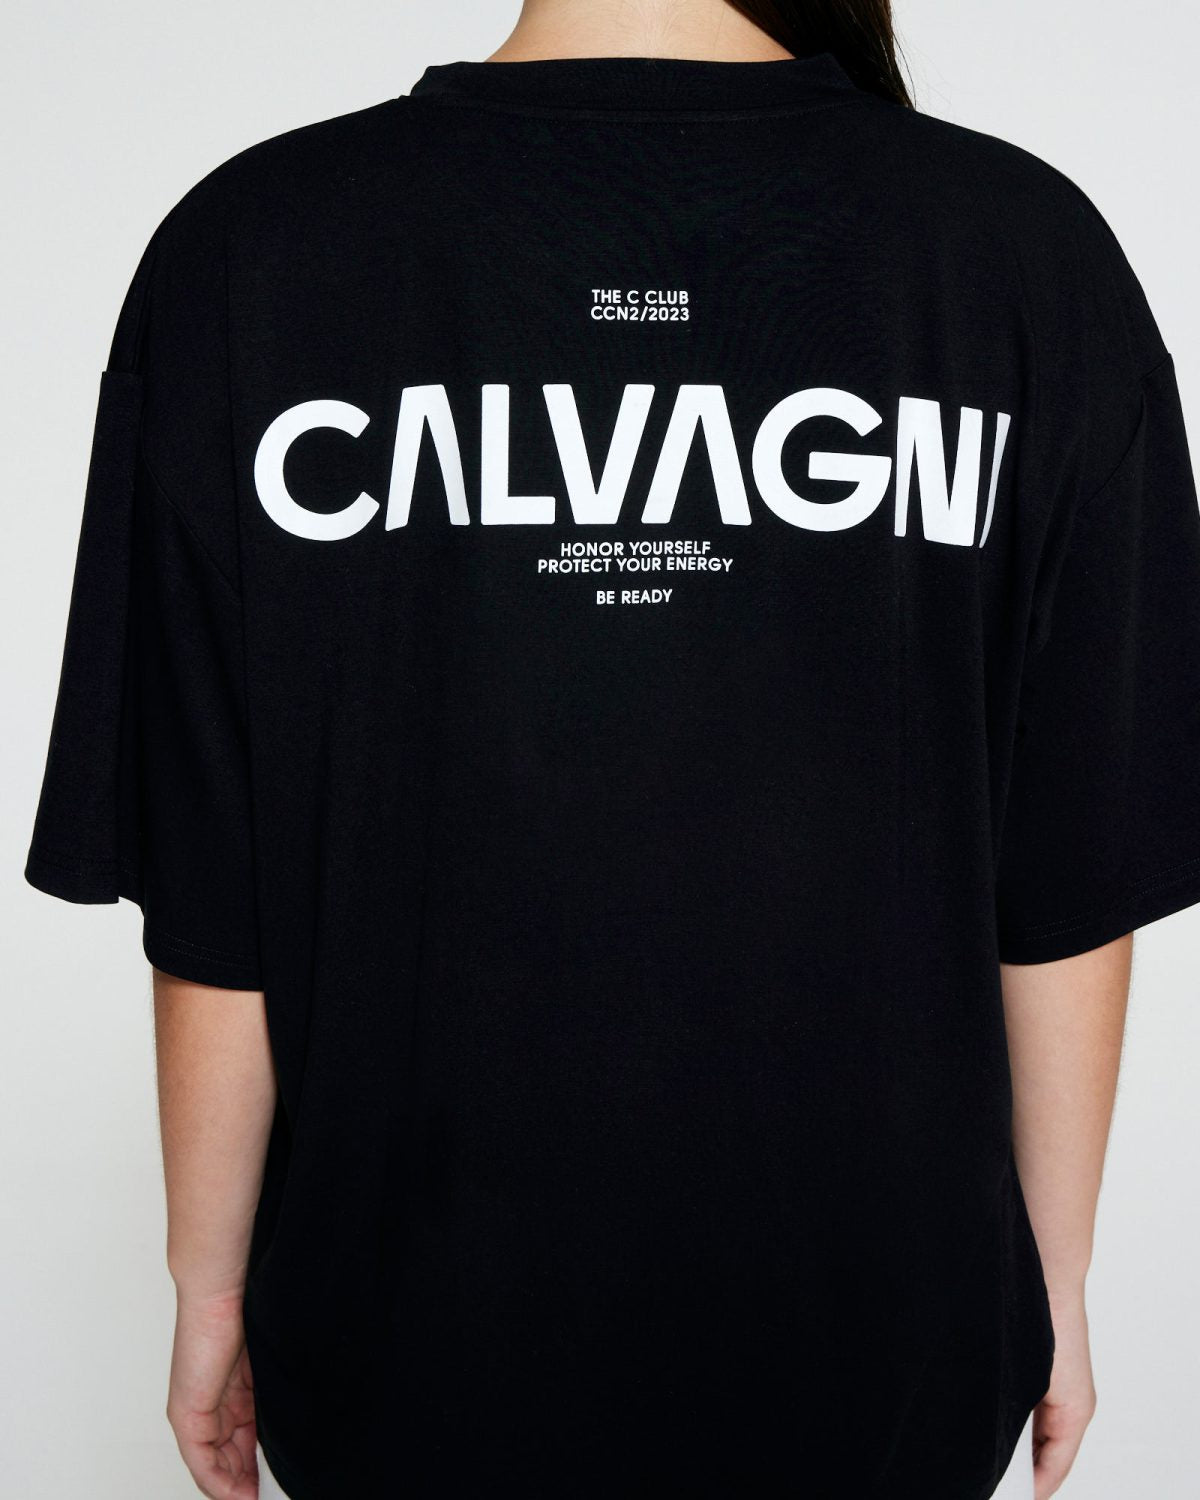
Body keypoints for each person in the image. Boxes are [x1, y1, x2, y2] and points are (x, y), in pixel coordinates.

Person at [22, 0, 1200, 1496]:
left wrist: (207, 1289)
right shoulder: (1025, 252)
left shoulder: (250, 249)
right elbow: (1070, 876)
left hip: (403, 1351)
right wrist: (1056, 1281)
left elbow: (218, 890)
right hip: (886, 1354)